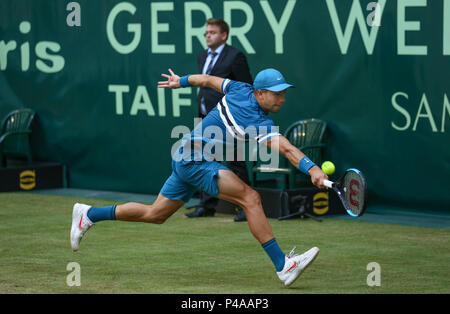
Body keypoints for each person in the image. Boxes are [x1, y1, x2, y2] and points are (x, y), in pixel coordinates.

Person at [70, 68, 328, 287]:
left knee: (155, 215)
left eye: (284, 93)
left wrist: (179, 81)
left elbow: (206, 80)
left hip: (184, 155)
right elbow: (286, 149)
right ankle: (283, 265)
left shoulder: (239, 88)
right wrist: (312, 168)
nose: (282, 98)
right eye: (277, 93)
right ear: (259, 92)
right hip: (195, 160)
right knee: (251, 198)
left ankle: (89, 214)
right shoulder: (253, 117)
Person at [186, 18, 253, 221]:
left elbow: (245, 87)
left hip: (230, 119)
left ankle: (245, 208)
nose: (208, 35)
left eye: (213, 32)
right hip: (206, 117)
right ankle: (207, 206)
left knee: (236, 163)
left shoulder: (235, 56)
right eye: (206, 32)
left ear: (223, 35)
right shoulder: (202, 56)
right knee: (205, 161)